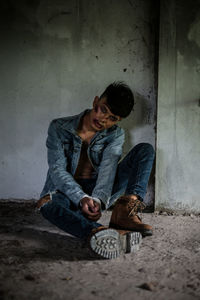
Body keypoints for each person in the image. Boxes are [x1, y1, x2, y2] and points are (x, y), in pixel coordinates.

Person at [37, 82, 155, 259]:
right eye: (103, 109)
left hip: (97, 190)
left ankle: (124, 212)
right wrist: (81, 198)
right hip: (65, 192)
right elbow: (57, 169)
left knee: (145, 150)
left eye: (113, 118)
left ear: (118, 120)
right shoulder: (59, 127)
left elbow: (108, 171)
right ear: (95, 102)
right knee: (44, 204)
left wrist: (97, 201)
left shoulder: (115, 134)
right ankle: (99, 232)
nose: (104, 119)